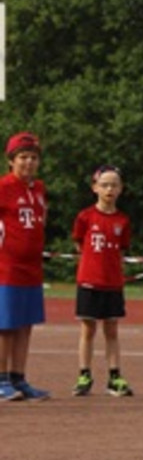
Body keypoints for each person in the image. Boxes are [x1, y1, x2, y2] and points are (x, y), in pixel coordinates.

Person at [71, 165, 134, 397]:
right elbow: (79, 243)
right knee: (88, 329)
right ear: (95, 188)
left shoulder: (122, 220)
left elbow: (122, 250)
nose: (110, 189)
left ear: (121, 189)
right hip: (89, 280)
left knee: (112, 330)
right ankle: (84, 373)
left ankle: (114, 375)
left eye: (114, 185)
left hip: (112, 282)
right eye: (105, 184)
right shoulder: (85, 217)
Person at [0, 132, 51, 401]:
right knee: (5, 325)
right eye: (23, 157)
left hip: (31, 268)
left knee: (24, 324)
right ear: (11, 161)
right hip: (7, 267)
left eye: (33, 157)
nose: (28, 163)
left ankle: (19, 377)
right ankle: (1, 379)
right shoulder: (4, 187)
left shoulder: (39, 189)